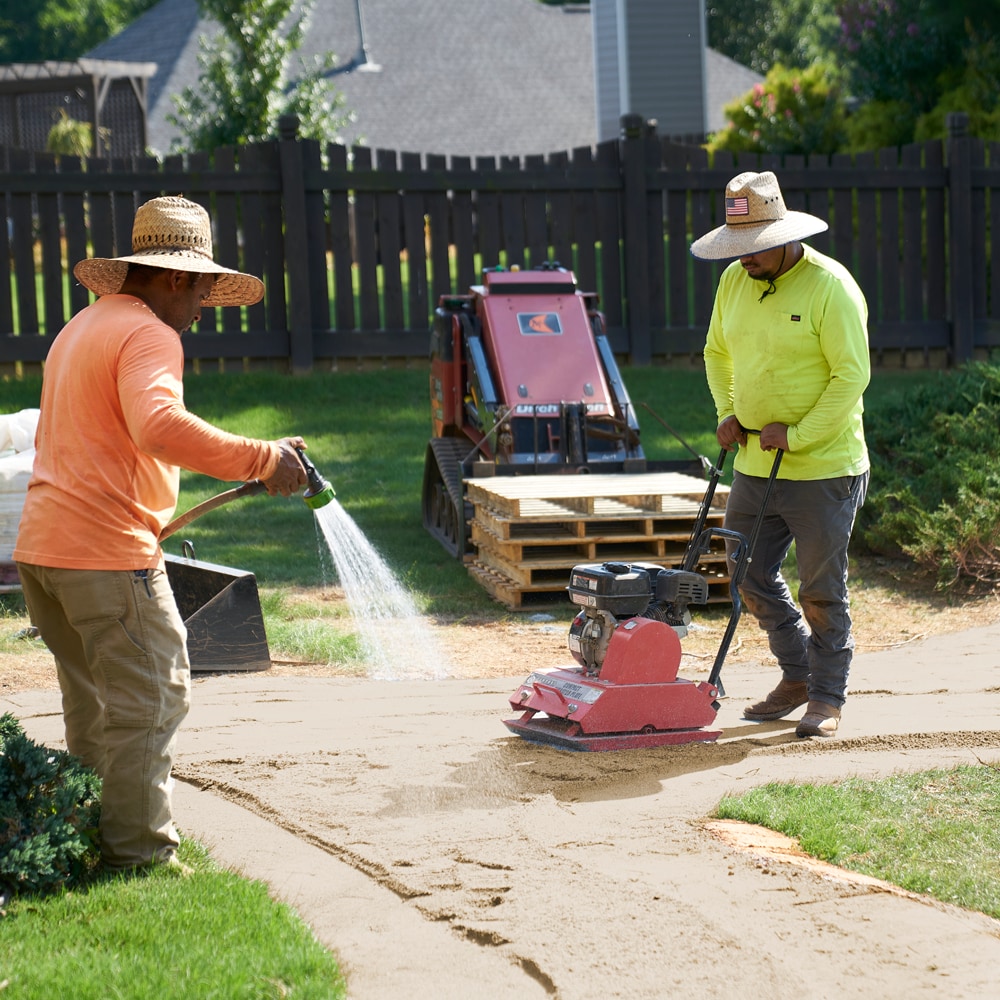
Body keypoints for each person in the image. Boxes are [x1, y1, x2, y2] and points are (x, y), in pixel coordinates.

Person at [14, 196, 309, 871]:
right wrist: (263, 459)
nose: (205, 305)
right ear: (175, 277)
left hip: (44, 552)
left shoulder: (84, 326)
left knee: (93, 703)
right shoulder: (151, 334)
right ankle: (139, 855)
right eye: (204, 288)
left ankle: (92, 826)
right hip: (104, 556)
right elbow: (158, 426)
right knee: (154, 694)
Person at [689, 171, 870, 739]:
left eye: (755, 249)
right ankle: (796, 675)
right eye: (737, 248)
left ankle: (826, 698)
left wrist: (796, 436)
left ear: (785, 237)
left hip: (824, 468)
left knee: (822, 587)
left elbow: (851, 376)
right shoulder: (734, 282)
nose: (745, 259)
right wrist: (728, 410)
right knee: (746, 573)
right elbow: (717, 352)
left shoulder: (829, 287)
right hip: (753, 464)